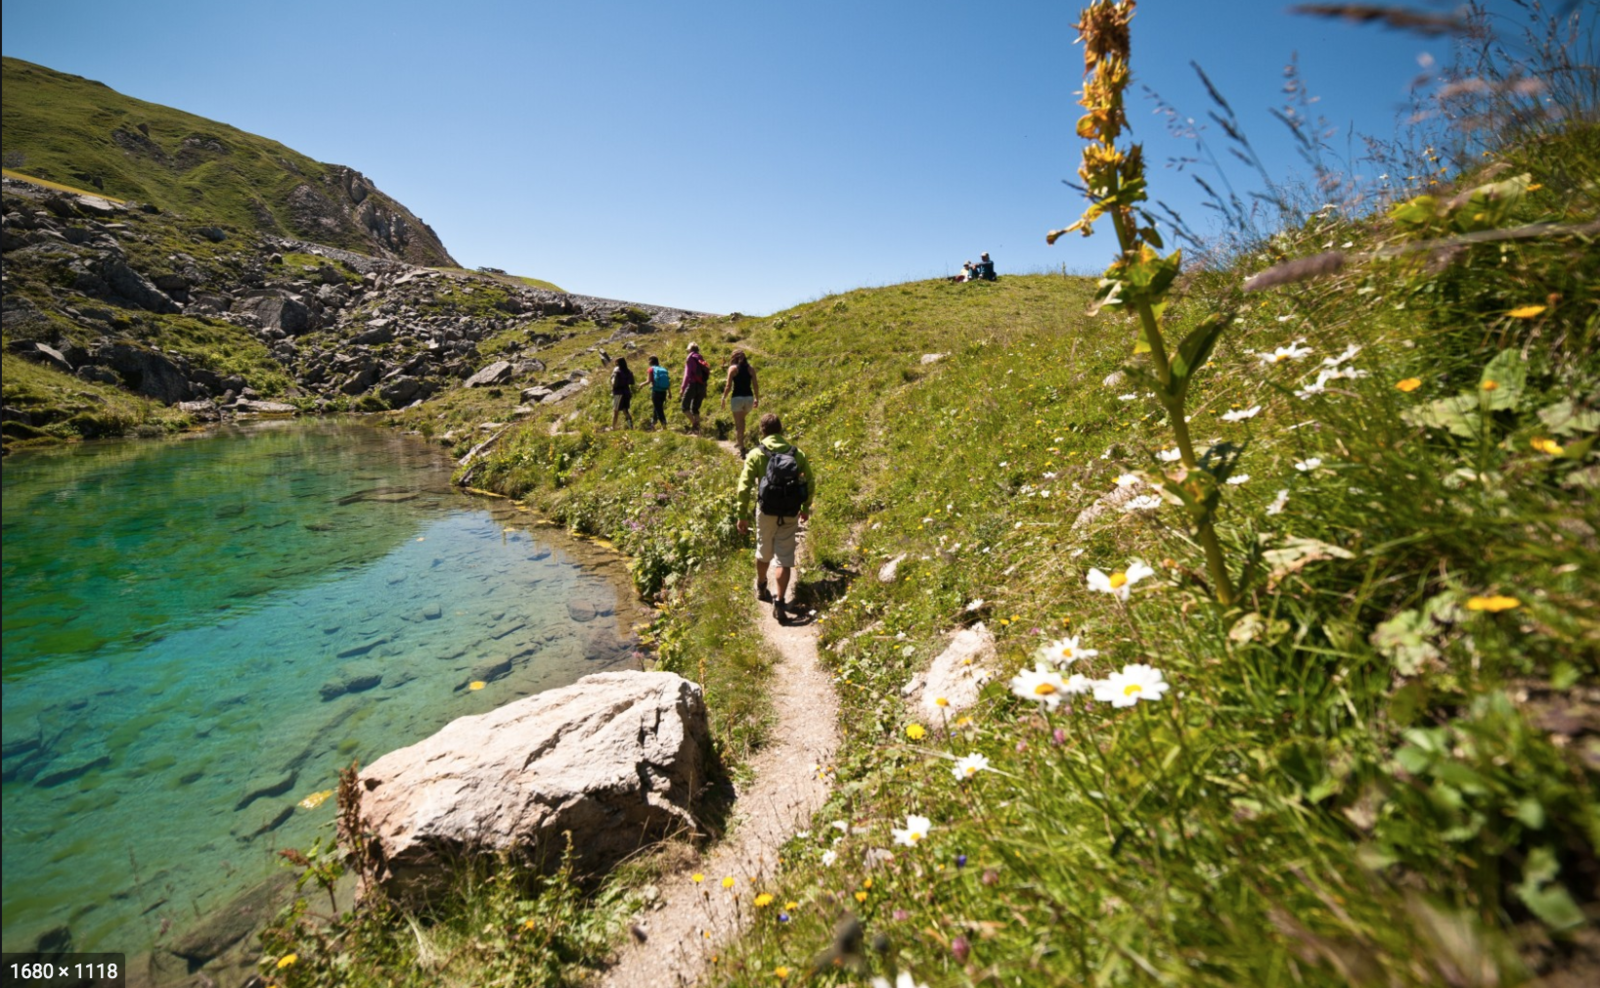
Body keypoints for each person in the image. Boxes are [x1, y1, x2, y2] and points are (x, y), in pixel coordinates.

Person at [735, 413, 814, 623]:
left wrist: (742, 514)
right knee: (784, 558)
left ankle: (761, 585)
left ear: (762, 431)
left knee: (764, 551)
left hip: (766, 510)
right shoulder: (797, 454)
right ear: (781, 430)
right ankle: (780, 601)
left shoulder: (755, 453)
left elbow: (744, 487)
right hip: (789, 511)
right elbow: (810, 483)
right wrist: (805, 507)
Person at [720, 349, 760, 451]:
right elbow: (755, 385)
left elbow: (728, 386)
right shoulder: (751, 369)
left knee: (739, 422)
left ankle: (741, 446)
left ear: (733, 358)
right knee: (742, 420)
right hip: (749, 398)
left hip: (737, 398)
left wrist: (723, 398)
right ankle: (739, 441)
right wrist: (757, 398)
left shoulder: (732, 369)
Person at [681, 343, 711, 433]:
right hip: (702, 385)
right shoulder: (700, 358)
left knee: (684, 407)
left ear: (690, 349)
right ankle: (697, 429)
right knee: (695, 408)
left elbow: (687, 374)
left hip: (692, 385)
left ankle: (695, 424)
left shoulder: (690, 358)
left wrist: (683, 387)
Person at [610, 356, 636, 430]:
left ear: (618, 363)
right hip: (627, 392)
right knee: (625, 410)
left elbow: (613, 382)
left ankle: (614, 427)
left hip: (618, 393)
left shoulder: (616, 371)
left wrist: (612, 380)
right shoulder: (628, 371)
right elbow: (632, 382)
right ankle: (631, 426)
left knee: (616, 410)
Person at [646, 355, 670, 430]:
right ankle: (653, 424)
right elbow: (668, 382)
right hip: (664, 392)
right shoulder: (663, 369)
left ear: (651, 362)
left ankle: (664, 425)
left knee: (659, 409)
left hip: (656, 392)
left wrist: (640, 385)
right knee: (657, 407)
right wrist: (669, 393)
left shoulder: (651, 369)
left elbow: (648, 381)